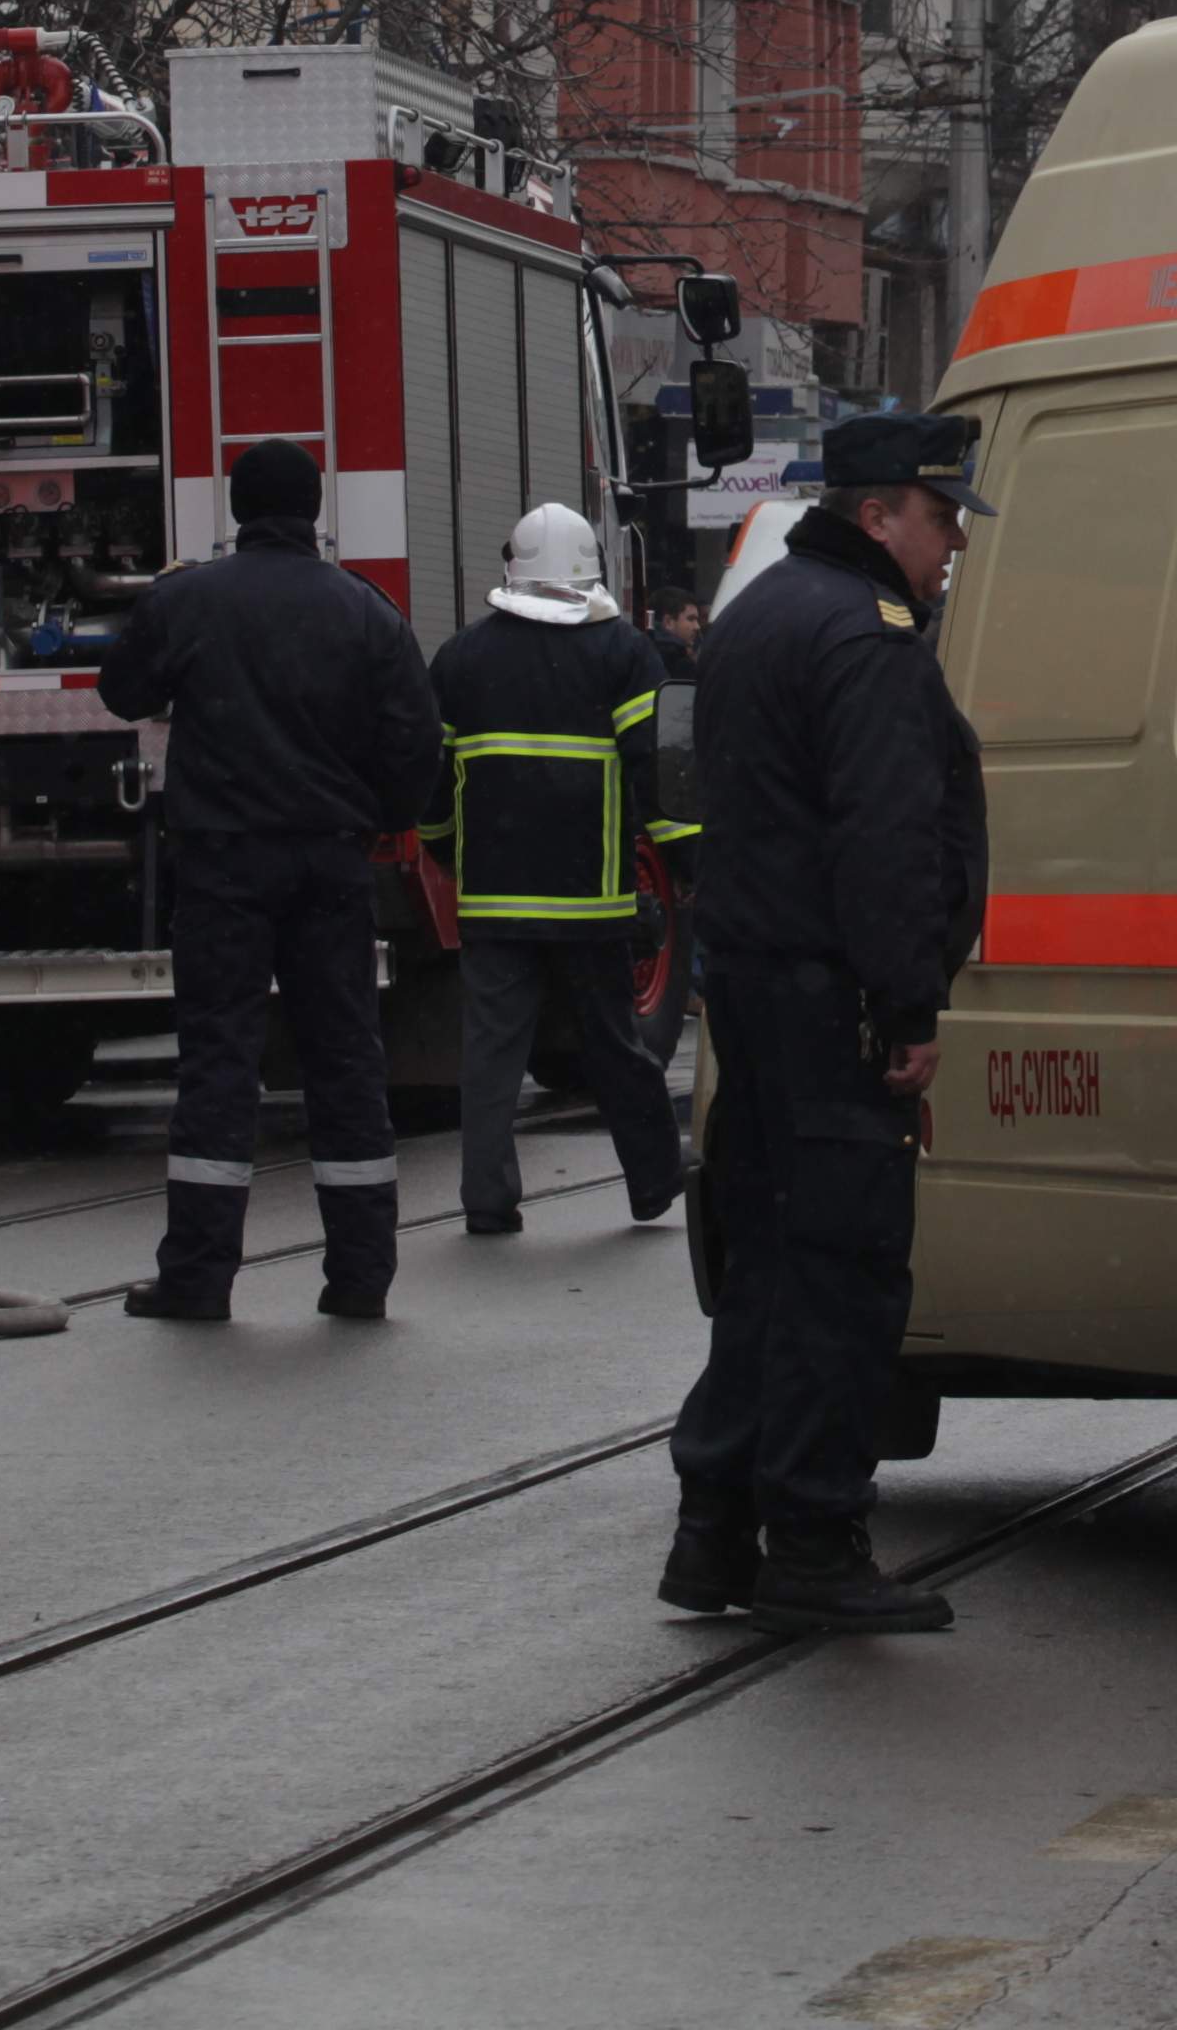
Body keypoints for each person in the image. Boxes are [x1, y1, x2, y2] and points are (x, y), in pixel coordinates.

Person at [666, 408, 990, 1640]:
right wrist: (908, 1005)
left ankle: (716, 1530)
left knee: (766, 1264)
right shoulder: (869, 637)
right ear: (877, 514)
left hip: (755, 990)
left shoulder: (762, 614)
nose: (952, 541)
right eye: (939, 515)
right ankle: (811, 1533)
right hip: (834, 1002)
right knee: (844, 1272)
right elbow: (887, 842)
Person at [94, 437, 444, 1323]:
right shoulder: (366, 609)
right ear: (316, 509)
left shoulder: (191, 599)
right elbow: (416, 742)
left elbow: (122, 693)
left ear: (238, 512)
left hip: (223, 862)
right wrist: (376, 817)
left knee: (219, 1060)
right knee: (344, 1059)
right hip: (331, 860)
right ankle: (361, 1274)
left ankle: (199, 1276)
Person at [425, 502, 689, 1238]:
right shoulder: (623, 655)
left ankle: (487, 1200)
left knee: (491, 1054)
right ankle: (654, 1185)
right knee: (614, 1045)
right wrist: (687, 860)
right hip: (591, 901)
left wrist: (447, 851)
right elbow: (657, 774)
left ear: (513, 570)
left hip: (495, 903)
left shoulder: (460, 658)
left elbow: (430, 782)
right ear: (590, 574)